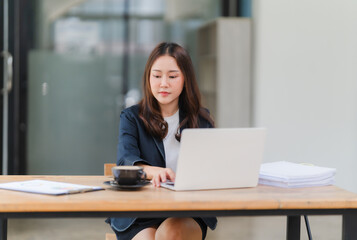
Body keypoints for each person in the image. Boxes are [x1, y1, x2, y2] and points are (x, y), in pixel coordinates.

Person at [106, 42, 217, 240]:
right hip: (139, 213)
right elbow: (126, 159)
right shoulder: (132, 117)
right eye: (156, 76)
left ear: (185, 79)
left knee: (171, 234)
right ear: (148, 78)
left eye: (172, 76)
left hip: (186, 210)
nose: (163, 83)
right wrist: (154, 171)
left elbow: (209, 170)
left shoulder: (201, 120)